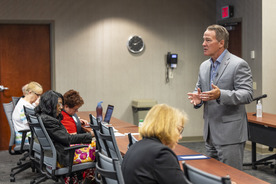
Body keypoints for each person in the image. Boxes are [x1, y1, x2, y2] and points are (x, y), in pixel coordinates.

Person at [187, 24, 253, 170]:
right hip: (210, 133)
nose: (203, 44)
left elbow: (247, 94)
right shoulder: (204, 66)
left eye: (208, 40)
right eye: (203, 40)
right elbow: (200, 90)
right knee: (211, 176)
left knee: (231, 177)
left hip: (230, 135)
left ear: (221, 43)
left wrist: (220, 94)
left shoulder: (238, 64)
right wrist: (198, 99)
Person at [35, 90, 96, 183]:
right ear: (50, 105)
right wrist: (90, 134)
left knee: (94, 145)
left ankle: (78, 178)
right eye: (59, 104)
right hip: (64, 155)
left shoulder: (43, 116)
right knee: (98, 150)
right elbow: (68, 139)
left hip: (56, 152)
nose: (61, 107)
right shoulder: (49, 121)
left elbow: (64, 136)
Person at [121, 104, 190, 184]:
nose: (180, 136)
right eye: (178, 130)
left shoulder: (135, 146)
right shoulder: (161, 154)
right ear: (167, 128)